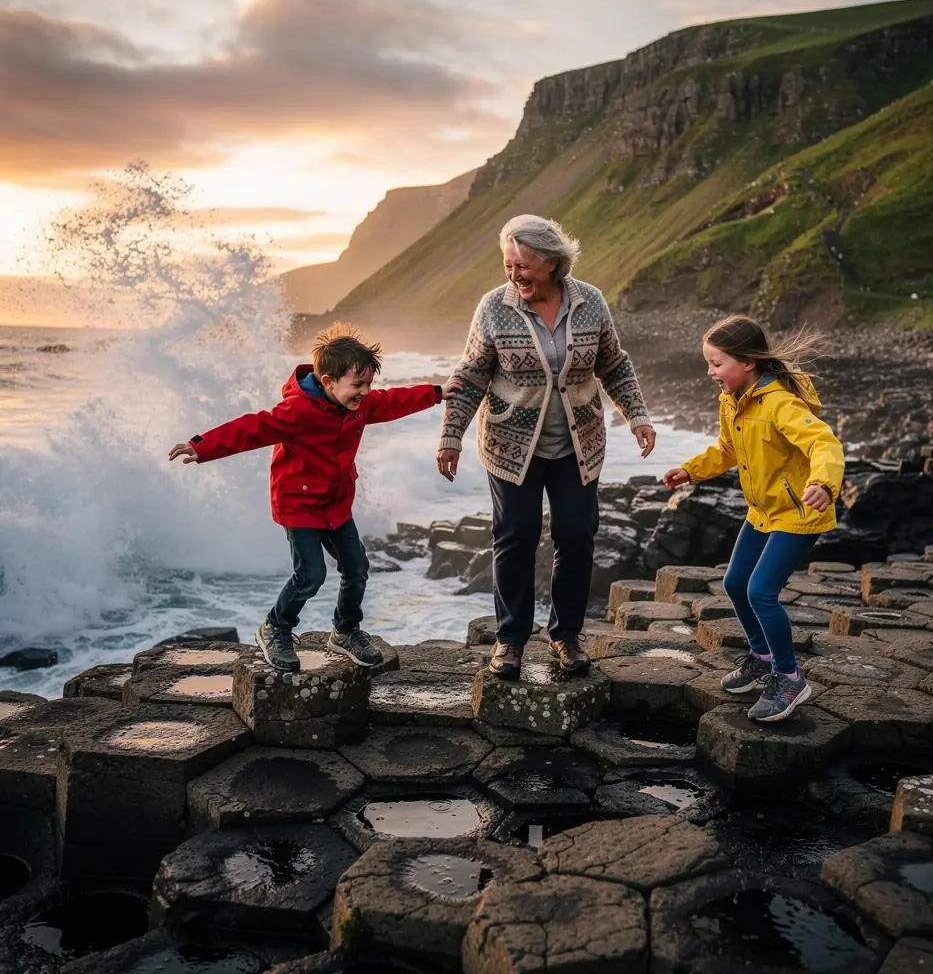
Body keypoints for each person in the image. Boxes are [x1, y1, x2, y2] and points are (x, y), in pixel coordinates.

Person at [169, 323, 461, 673]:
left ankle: (345, 630)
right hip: (299, 505)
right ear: (327, 382)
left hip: (336, 505)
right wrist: (202, 446)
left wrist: (436, 392)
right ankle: (275, 628)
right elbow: (252, 428)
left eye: (369, 384)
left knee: (357, 568)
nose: (365, 392)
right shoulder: (298, 411)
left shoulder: (360, 405)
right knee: (310, 575)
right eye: (358, 385)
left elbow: (393, 400)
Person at [438, 215, 656, 679]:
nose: (514, 275)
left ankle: (566, 636)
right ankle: (511, 640)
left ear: (553, 262)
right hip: (510, 446)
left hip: (579, 444)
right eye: (508, 265)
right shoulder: (494, 307)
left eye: (523, 265)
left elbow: (613, 365)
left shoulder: (590, 301)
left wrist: (636, 416)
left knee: (576, 536)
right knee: (514, 538)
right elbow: (471, 375)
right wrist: (451, 435)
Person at [663, 315, 844, 722]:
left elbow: (823, 443)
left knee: (761, 591)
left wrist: (823, 484)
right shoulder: (733, 399)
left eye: (716, 363)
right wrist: (691, 470)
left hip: (799, 513)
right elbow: (728, 449)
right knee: (734, 583)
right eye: (708, 364)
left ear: (747, 362)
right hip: (763, 511)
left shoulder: (781, 403)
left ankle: (790, 677)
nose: (710, 372)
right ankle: (762, 655)